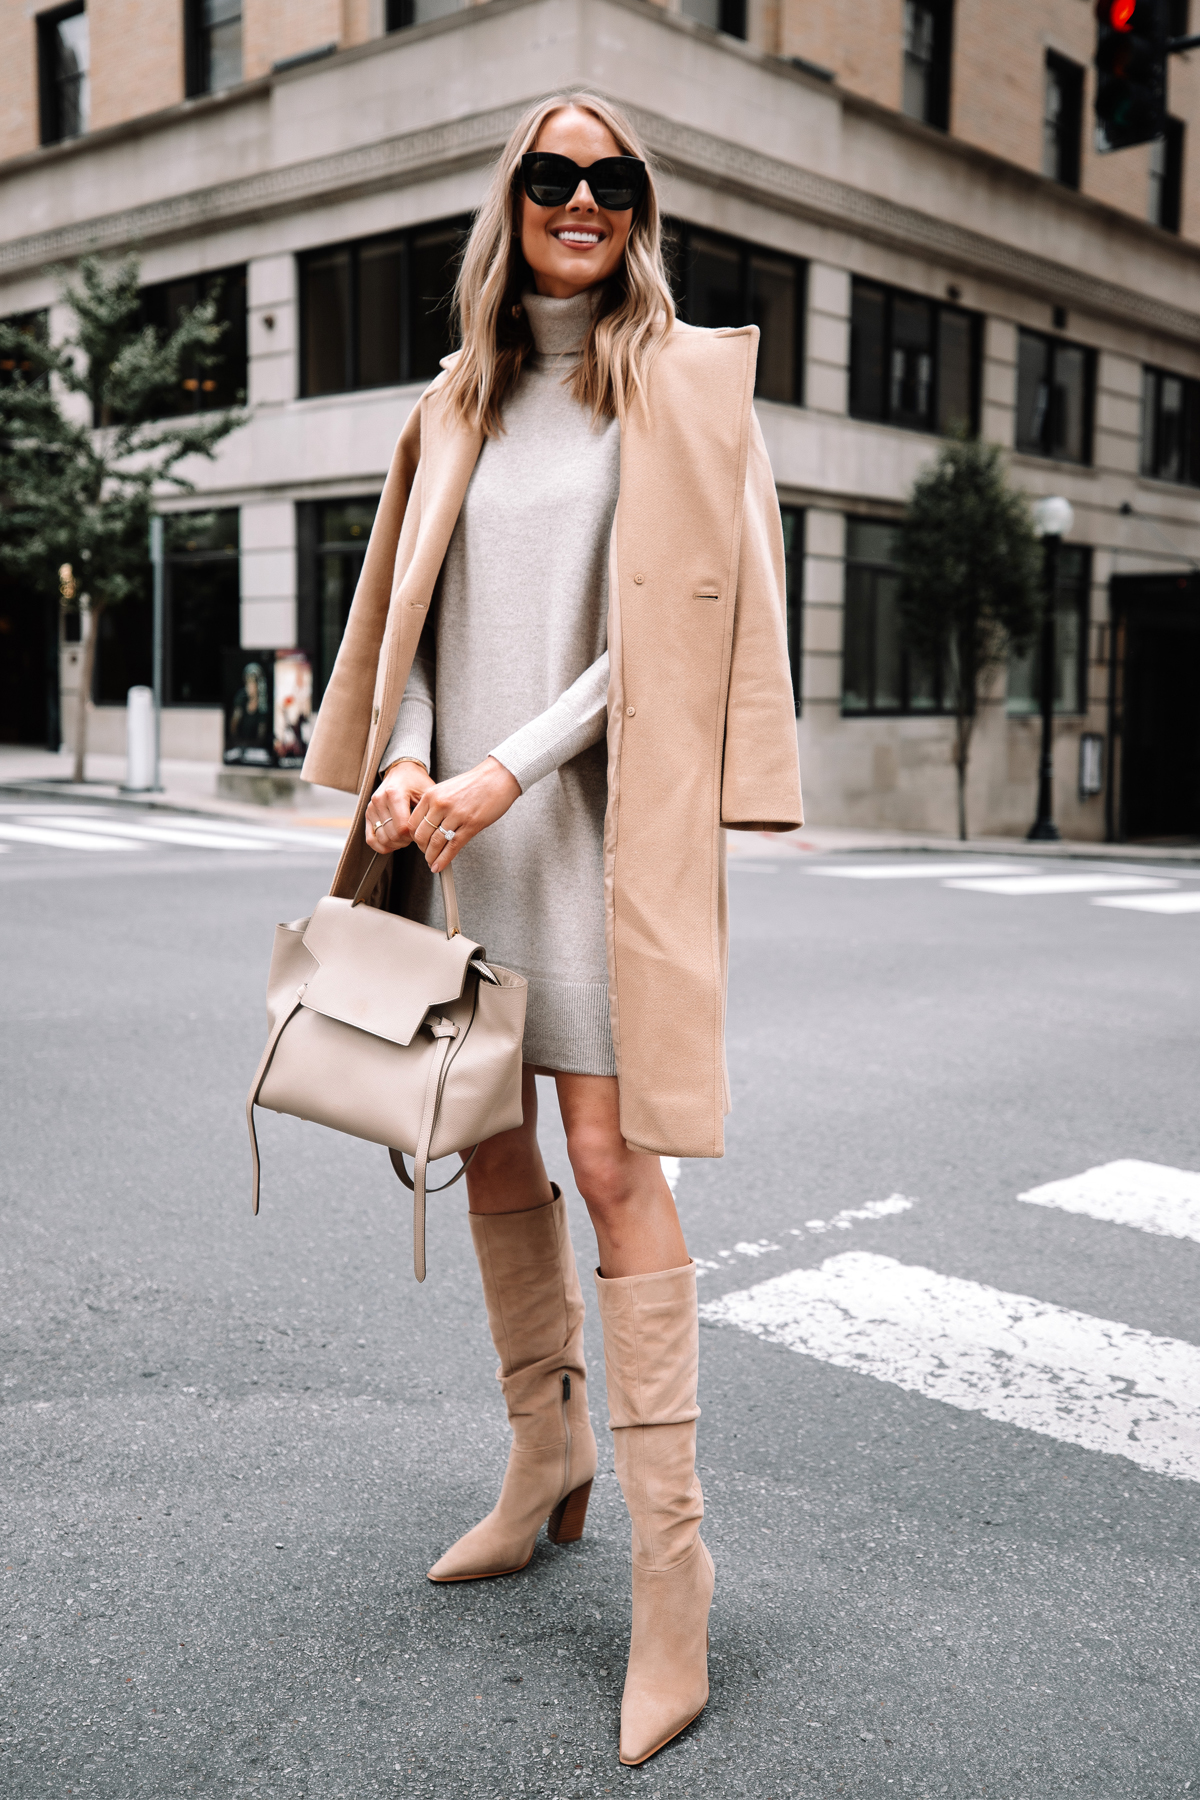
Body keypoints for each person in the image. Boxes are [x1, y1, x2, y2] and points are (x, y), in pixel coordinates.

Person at [301, 91, 803, 1767]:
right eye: (550, 176)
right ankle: (546, 1457)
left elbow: (652, 652)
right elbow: (413, 618)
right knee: (490, 1149)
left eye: (612, 178)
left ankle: (676, 1574)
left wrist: (502, 772)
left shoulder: (675, 397)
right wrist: (415, 764)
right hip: (467, 831)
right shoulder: (455, 405)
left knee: (610, 1160)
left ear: (640, 207)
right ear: (510, 206)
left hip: (594, 834)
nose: (581, 199)